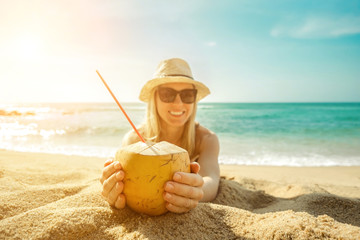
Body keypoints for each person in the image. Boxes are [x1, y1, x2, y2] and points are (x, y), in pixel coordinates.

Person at [100, 58, 220, 213]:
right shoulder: (133, 140)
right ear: (154, 98)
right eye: (167, 94)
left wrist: (196, 190)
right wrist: (112, 185)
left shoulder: (206, 139)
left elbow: (211, 178)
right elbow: (121, 180)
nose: (178, 103)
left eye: (187, 95)